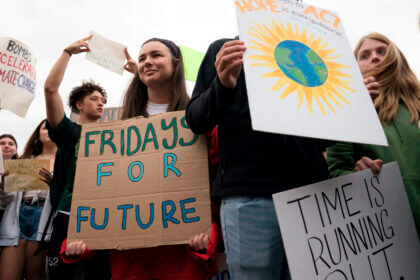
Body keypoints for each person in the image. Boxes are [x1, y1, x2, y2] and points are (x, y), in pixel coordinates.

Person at [61, 38, 220, 280]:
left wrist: (209, 234)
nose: (148, 62)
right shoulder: (116, 133)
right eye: (143, 58)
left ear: (176, 63)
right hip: (131, 262)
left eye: (156, 55)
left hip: (182, 257)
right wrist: (84, 241)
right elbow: (104, 195)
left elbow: (214, 182)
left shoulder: (200, 119)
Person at [186, 38, 331, 279]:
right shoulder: (224, 50)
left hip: (311, 198)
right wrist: (222, 85)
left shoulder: (312, 58)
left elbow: (327, 139)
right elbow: (196, 120)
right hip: (250, 199)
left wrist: (355, 112)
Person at [327, 32, 420, 236]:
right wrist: (358, 177)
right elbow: (337, 171)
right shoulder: (345, 109)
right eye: (364, 55)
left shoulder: (416, 105)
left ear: (397, 58)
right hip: (388, 231)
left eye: (381, 52)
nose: (375, 58)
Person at [43, 35, 110, 279]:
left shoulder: (113, 137)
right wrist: (67, 53)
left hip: (103, 216)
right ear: (79, 105)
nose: (100, 103)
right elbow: (50, 89)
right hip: (67, 214)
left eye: (103, 100)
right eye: (94, 99)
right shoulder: (67, 131)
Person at [0, 120, 55, 280]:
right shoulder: (22, 159)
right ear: (38, 134)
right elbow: (5, 200)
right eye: (45, 128)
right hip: (17, 221)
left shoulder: (65, 160)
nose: (49, 131)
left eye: (53, 128)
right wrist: (4, 186)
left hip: (42, 221)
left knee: (35, 276)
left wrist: (54, 184)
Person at [0, 134, 18, 222]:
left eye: (11, 144)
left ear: (16, 150)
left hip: (13, 219)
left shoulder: (23, 171)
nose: (6, 146)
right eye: (2, 143)